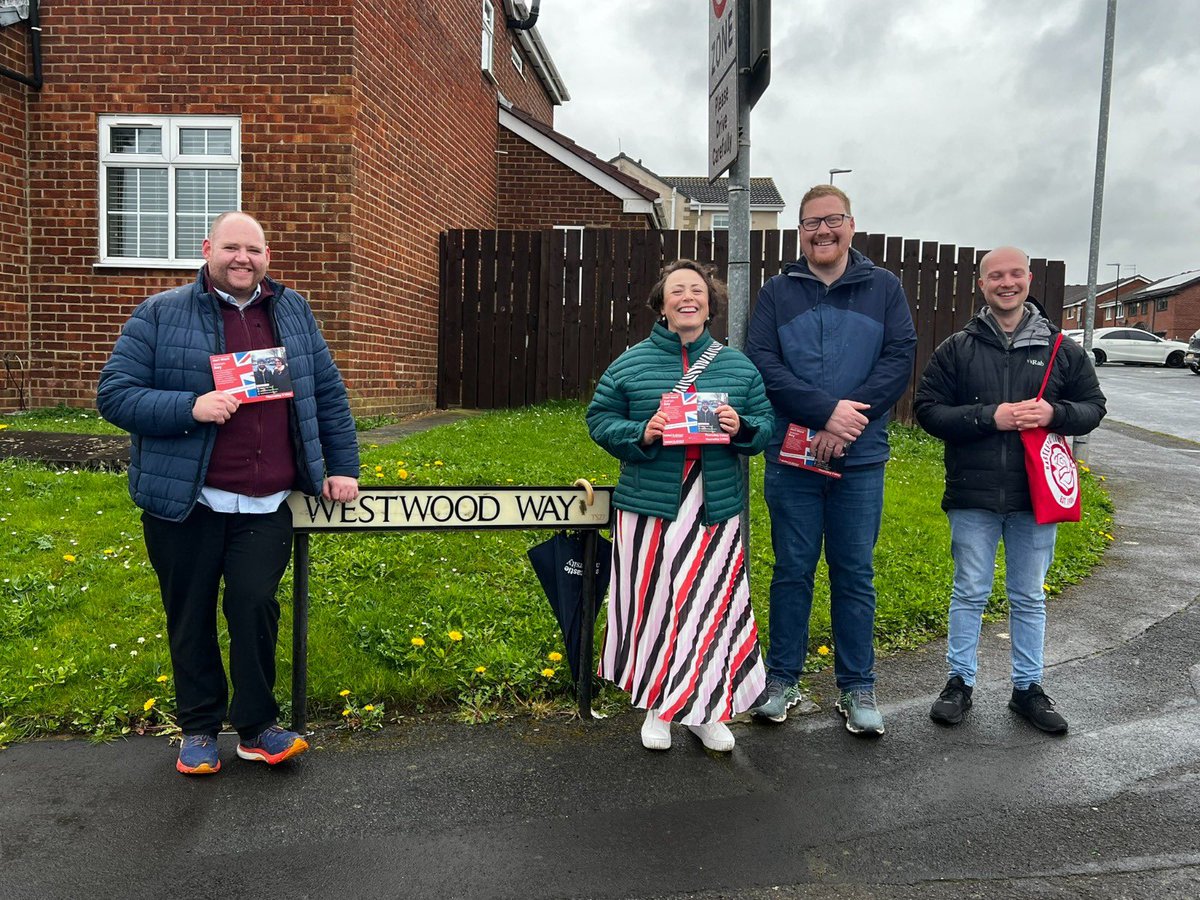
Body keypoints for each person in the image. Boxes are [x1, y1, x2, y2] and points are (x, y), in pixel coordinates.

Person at [97, 211, 360, 775]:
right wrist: (190, 408)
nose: (244, 259)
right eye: (232, 248)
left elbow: (328, 394)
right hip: (188, 500)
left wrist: (341, 465)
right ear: (207, 249)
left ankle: (257, 726)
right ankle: (197, 728)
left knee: (254, 606)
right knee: (189, 615)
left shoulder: (291, 310)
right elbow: (115, 395)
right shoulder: (161, 312)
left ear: (267, 256)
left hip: (266, 502)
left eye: (255, 250)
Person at [745, 185, 917, 736]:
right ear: (799, 231)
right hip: (790, 456)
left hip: (860, 459)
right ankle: (782, 681)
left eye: (832, 220)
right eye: (811, 223)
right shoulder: (777, 292)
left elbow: (899, 358)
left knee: (854, 572)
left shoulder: (883, 288)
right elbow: (764, 365)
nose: (823, 231)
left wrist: (849, 424)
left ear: (851, 224)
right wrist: (824, 414)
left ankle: (857, 686)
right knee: (791, 569)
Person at [913, 246, 1105, 733]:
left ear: (1028, 279)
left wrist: (1054, 414)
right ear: (982, 284)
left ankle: (1028, 688)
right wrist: (988, 417)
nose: (1006, 282)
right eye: (995, 275)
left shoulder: (1062, 348)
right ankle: (959, 682)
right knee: (969, 591)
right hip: (973, 494)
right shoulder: (957, 348)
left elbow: (1093, 406)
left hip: (1035, 496)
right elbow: (928, 410)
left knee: (1029, 595)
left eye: (1014, 274)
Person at [587, 260, 774, 753]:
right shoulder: (630, 363)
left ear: (710, 303)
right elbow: (600, 419)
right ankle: (659, 707)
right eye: (677, 291)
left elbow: (765, 425)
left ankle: (708, 707)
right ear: (661, 303)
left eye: (697, 290)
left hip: (713, 505)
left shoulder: (738, 366)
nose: (687, 297)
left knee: (710, 605)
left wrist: (743, 426)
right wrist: (640, 432)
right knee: (656, 606)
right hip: (650, 505)